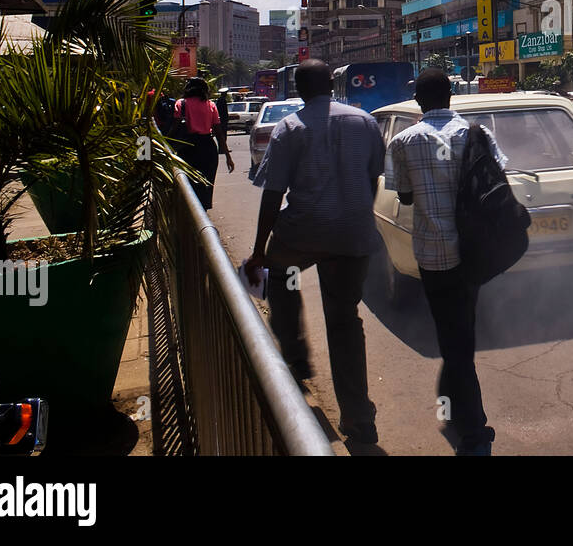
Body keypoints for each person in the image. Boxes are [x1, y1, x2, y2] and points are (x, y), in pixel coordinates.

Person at [244, 59, 386, 446]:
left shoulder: (290, 127)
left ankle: (295, 354)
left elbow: (273, 192)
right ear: (331, 85)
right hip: (352, 236)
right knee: (344, 321)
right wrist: (357, 215)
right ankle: (359, 420)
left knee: (281, 280)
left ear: (300, 89)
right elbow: (373, 176)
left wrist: (259, 250)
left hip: (302, 234)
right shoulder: (365, 122)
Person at [385, 68, 508, 456]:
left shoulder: (404, 142)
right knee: (460, 331)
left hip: (433, 254)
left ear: (419, 101)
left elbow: (403, 198)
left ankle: (473, 430)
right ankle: (456, 402)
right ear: (452, 95)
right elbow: (498, 177)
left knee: (454, 342)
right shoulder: (478, 134)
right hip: (473, 253)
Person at [173, 77, 233, 209]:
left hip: (187, 149)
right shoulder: (210, 105)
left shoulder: (181, 104)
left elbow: (175, 127)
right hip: (208, 148)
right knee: (206, 185)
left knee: (189, 186)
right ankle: (203, 216)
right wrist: (228, 156)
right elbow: (219, 132)